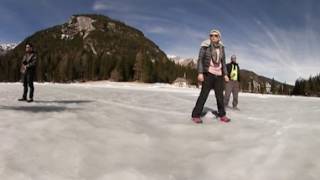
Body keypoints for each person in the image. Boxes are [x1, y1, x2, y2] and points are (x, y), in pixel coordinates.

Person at [191, 29, 231, 123]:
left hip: (219, 75)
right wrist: (200, 73)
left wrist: (225, 74)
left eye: (216, 35)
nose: (213, 37)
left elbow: (223, 62)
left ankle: (222, 115)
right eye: (211, 35)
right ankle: (196, 115)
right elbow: (200, 60)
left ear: (219, 37)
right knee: (203, 95)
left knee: (220, 96)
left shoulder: (222, 48)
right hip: (208, 74)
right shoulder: (205, 46)